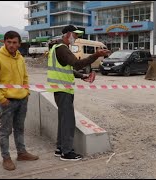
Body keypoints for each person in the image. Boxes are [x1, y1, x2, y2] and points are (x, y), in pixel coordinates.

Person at [47, 25, 110, 161]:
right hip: (63, 90)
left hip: (61, 89)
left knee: (63, 120)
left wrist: (83, 77)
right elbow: (77, 64)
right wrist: (96, 55)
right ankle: (67, 152)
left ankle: (60, 148)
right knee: (68, 121)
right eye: (75, 35)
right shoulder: (62, 49)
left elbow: (69, 69)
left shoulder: (56, 48)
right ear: (68, 34)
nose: (76, 38)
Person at [0, 31, 39, 171]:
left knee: (20, 128)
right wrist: (1, 99)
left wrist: (26, 92)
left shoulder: (20, 58)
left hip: (22, 100)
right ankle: (6, 158)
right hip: (7, 101)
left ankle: (22, 153)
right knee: (5, 131)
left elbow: (25, 77)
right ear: (4, 42)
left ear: (19, 44)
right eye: (9, 42)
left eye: (14, 42)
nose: (11, 45)